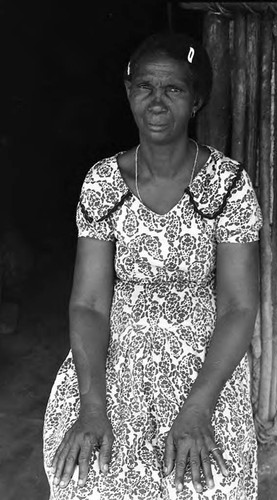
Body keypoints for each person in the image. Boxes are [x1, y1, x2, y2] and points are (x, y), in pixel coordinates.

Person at [43, 32, 263, 500]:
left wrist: (199, 410)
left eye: (174, 89)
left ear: (196, 99)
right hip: (117, 360)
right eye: (145, 86)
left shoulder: (228, 185)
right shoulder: (103, 183)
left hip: (202, 365)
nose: (157, 101)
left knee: (210, 481)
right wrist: (93, 406)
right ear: (128, 92)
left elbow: (239, 308)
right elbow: (89, 303)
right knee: (87, 474)